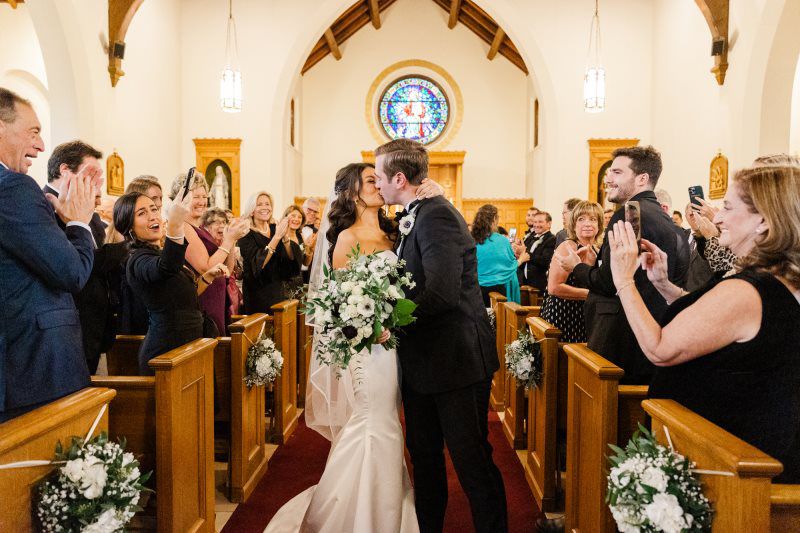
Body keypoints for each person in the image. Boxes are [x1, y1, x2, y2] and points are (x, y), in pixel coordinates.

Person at [265, 161, 445, 533]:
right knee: (373, 421)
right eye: (369, 180)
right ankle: (358, 516)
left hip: (395, 348)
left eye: (378, 179)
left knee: (390, 422)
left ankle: (386, 508)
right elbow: (338, 304)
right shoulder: (346, 238)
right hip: (367, 350)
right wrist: (370, 325)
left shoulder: (395, 233)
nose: (378, 185)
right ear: (351, 191)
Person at [607, 163, 800, 483]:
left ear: (764, 221)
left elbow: (660, 349)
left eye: (727, 206)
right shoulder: (766, 279)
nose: (717, 217)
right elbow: (718, 326)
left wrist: (623, 279)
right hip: (723, 445)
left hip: (722, 459)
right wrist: (666, 286)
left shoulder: (748, 290)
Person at [376, 139, 507, 533]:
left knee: (470, 459)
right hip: (423, 361)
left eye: (380, 176)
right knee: (425, 456)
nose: (378, 184)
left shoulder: (437, 216)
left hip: (456, 361)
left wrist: (391, 321)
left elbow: (442, 292)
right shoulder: (415, 212)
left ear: (399, 178)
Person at [0, 88, 98, 421]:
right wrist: (79, 224)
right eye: (34, 132)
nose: (42, 145)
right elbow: (71, 272)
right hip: (37, 367)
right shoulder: (13, 188)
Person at [557, 146, 690, 385]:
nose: (608, 178)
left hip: (621, 336)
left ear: (641, 179)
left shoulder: (630, 214)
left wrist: (576, 266)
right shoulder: (664, 218)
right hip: (652, 330)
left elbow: (610, 281)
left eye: (617, 172)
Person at [126, 187, 228, 375]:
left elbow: (184, 296)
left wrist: (207, 277)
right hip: (166, 354)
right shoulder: (138, 260)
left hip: (189, 347)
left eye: (154, 209)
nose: (152, 216)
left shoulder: (158, 252)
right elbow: (166, 268)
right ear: (129, 226)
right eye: (142, 213)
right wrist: (176, 226)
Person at [170, 172, 248, 335]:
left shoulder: (198, 228)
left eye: (204, 196)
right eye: (196, 196)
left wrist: (231, 238)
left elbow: (227, 269)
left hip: (216, 297)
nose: (202, 201)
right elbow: (205, 267)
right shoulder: (184, 227)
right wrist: (228, 240)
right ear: (182, 198)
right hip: (203, 299)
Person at [541, 201, 603, 342]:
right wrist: (592, 295)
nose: (587, 223)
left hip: (586, 316)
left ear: (599, 225)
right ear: (574, 225)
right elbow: (554, 288)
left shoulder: (599, 249)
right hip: (564, 315)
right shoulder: (568, 247)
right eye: (581, 219)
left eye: (593, 219)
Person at [237, 191, 298, 313]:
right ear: (252, 210)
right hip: (257, 294)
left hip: (278, 291)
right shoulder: (245, 233)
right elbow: (258, 265)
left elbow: (290, 265)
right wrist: (276, 238)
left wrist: (285, 239)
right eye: (259, 204)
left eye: (267, 204)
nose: (265, 207)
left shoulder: (275, 228)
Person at [471, 204, 523, 305]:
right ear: (494, 219)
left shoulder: (471, 239)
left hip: (476, 287)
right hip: (499, 288)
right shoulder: (502, 240)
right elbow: (510, 266)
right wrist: (521, 258)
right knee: (498, 319)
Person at [517, 210, 555, 292]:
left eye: (540, 222)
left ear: (549, 224)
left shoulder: (551, 239)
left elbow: (545, 261)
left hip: (539, 285)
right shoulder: (532, 237)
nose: (536, 225)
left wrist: (525, 252)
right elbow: (525, 256)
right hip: (525, 282)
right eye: (535, 222)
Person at [280, 204, 314, 295]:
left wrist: (309, 249)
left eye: (300, 217)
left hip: (299, 283)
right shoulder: (280, 235)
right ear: (286, 217)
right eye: (293, 216)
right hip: (283, 284)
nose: (296, 219)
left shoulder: (300, 236)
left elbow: (305, 263)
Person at [301, 197, 321, 283]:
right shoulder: (293, 225)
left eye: (315, 211)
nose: (312, 213)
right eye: (309, 209)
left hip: (311, 274)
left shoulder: (320, 232)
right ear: (302, 208)